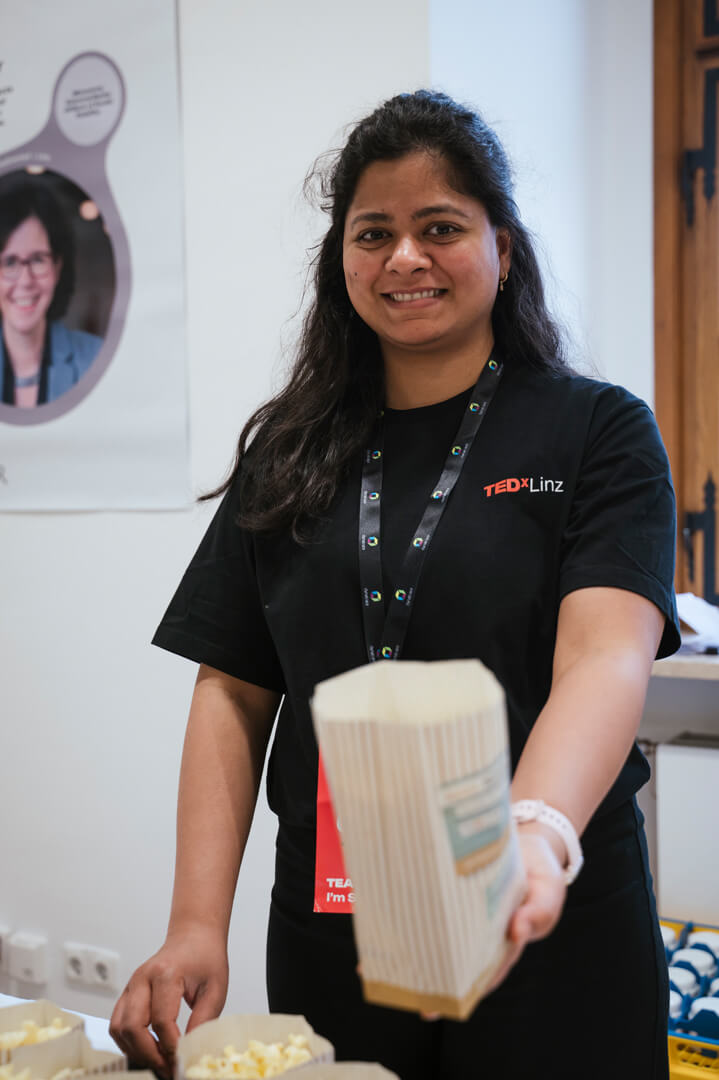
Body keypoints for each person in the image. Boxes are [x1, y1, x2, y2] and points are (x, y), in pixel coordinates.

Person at [110, 90, 679, 1079]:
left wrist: (535, 833)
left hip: (542, 911)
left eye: (440, 227)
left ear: (502, 247)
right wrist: (195, 923)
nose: (404, 257)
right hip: (336, 921)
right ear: (341, 259)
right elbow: (232, 689)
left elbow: (603, 657)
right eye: (373, 233)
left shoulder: (596, 431)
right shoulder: (289, 451)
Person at [0, 179, 102, 407]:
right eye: (10, 262)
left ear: (57, 267)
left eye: (38, 259)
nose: (25, 281)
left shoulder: (96, 359)